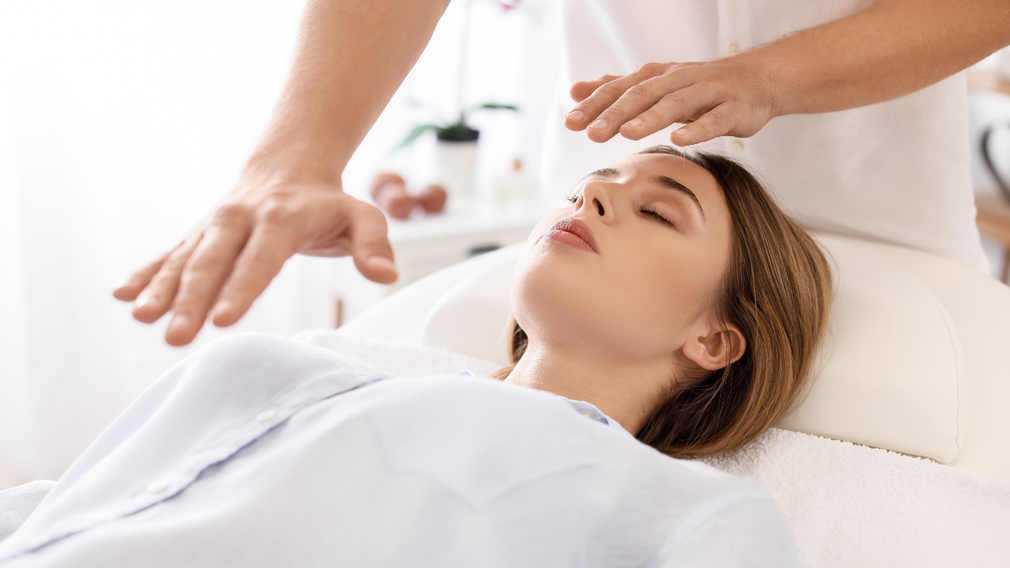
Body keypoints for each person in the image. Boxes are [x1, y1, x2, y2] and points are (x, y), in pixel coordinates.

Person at [2, 148, 830, 566]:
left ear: (715, 340)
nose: (593, 196)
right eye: (587, 187)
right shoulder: (304, 371)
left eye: (659, 213)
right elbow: (54, 505)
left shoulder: (681, 510)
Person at [109, 0, 1010, 347]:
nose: (604, 200)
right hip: (609, 176)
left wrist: (770, 77)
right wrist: (297, 155)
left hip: (881, 213)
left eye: (654, 211)